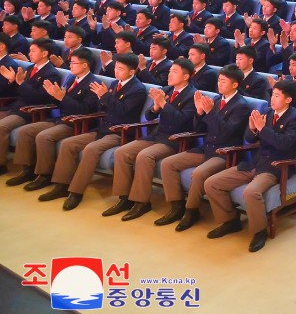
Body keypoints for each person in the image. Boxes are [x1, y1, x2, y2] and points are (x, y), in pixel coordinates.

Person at [202, 79, 296, 253]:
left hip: (275, 166)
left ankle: (259, 231)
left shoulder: (295, 118)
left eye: (277, 95)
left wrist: (262, 129)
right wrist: (252, 128)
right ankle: (230, 221)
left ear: (288, 99)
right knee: (211, 183)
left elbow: (284, 144)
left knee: (251, 191)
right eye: (272, 94)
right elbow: (250, 139)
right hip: (255, 163)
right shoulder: (268, 113)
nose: (272, 98)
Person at [41, 54, 147, 210]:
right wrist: (102, 98)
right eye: (116, 67)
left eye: (120, 69)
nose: (116, 71)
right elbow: (102, 108)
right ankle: (61, 185)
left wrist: (105, 97)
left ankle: (76, 192)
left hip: (120, 132)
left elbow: (122, 111)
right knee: (69, 144)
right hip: (102, 128)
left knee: (91, 149)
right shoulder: (114, 84)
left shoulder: (138, 89)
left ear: (132, 71)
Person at [155, 65, 253, 230]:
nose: (219, 84)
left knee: (199, 173)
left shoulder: (241, 106)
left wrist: (209, 112)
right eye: (219, 80)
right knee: (168, 163)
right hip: (207, 148)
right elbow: (199, 129)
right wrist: (199, 113)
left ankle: (191, 211)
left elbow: (226, 132)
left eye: (223, 81)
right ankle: (176, 205)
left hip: (224, 152)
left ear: (235, 84)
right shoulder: (215, 100)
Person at [104, 58, 197, 221]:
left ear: (186, 76)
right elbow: (149, 116)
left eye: (174, 72)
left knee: (144, 156)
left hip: (175, 140)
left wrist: (163, 104)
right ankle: (124, 198)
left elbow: (181, 120)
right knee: (122, 152)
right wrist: (155, 106)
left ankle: (142, 202)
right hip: (157, 135)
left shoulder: (193, 95)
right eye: (169, 71)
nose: (170, 74)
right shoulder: (166, 90)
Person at [4, 50, 99, 190]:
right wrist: (55, 97)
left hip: (75, 123)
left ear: (85, 65)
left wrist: (61, 98)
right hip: (59, 118)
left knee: (44, 136)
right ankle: (27, 170)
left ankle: (45, 175)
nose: (70, 66)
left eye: (73, 63)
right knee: (26, 131)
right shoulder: (72, 79)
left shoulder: (93, 83)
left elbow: (84, 109)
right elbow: (60, 102)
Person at [0, 38, 61, 173]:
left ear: (44, 53)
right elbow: (20, 91)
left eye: (33, 51)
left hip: (30, 111)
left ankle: (3, 165)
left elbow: (39, 98)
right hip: (16, 106)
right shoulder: (30, 68)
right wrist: (12, 81)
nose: (30, 53)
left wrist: (21, 83)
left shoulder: (52, 73)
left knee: (1, 127)